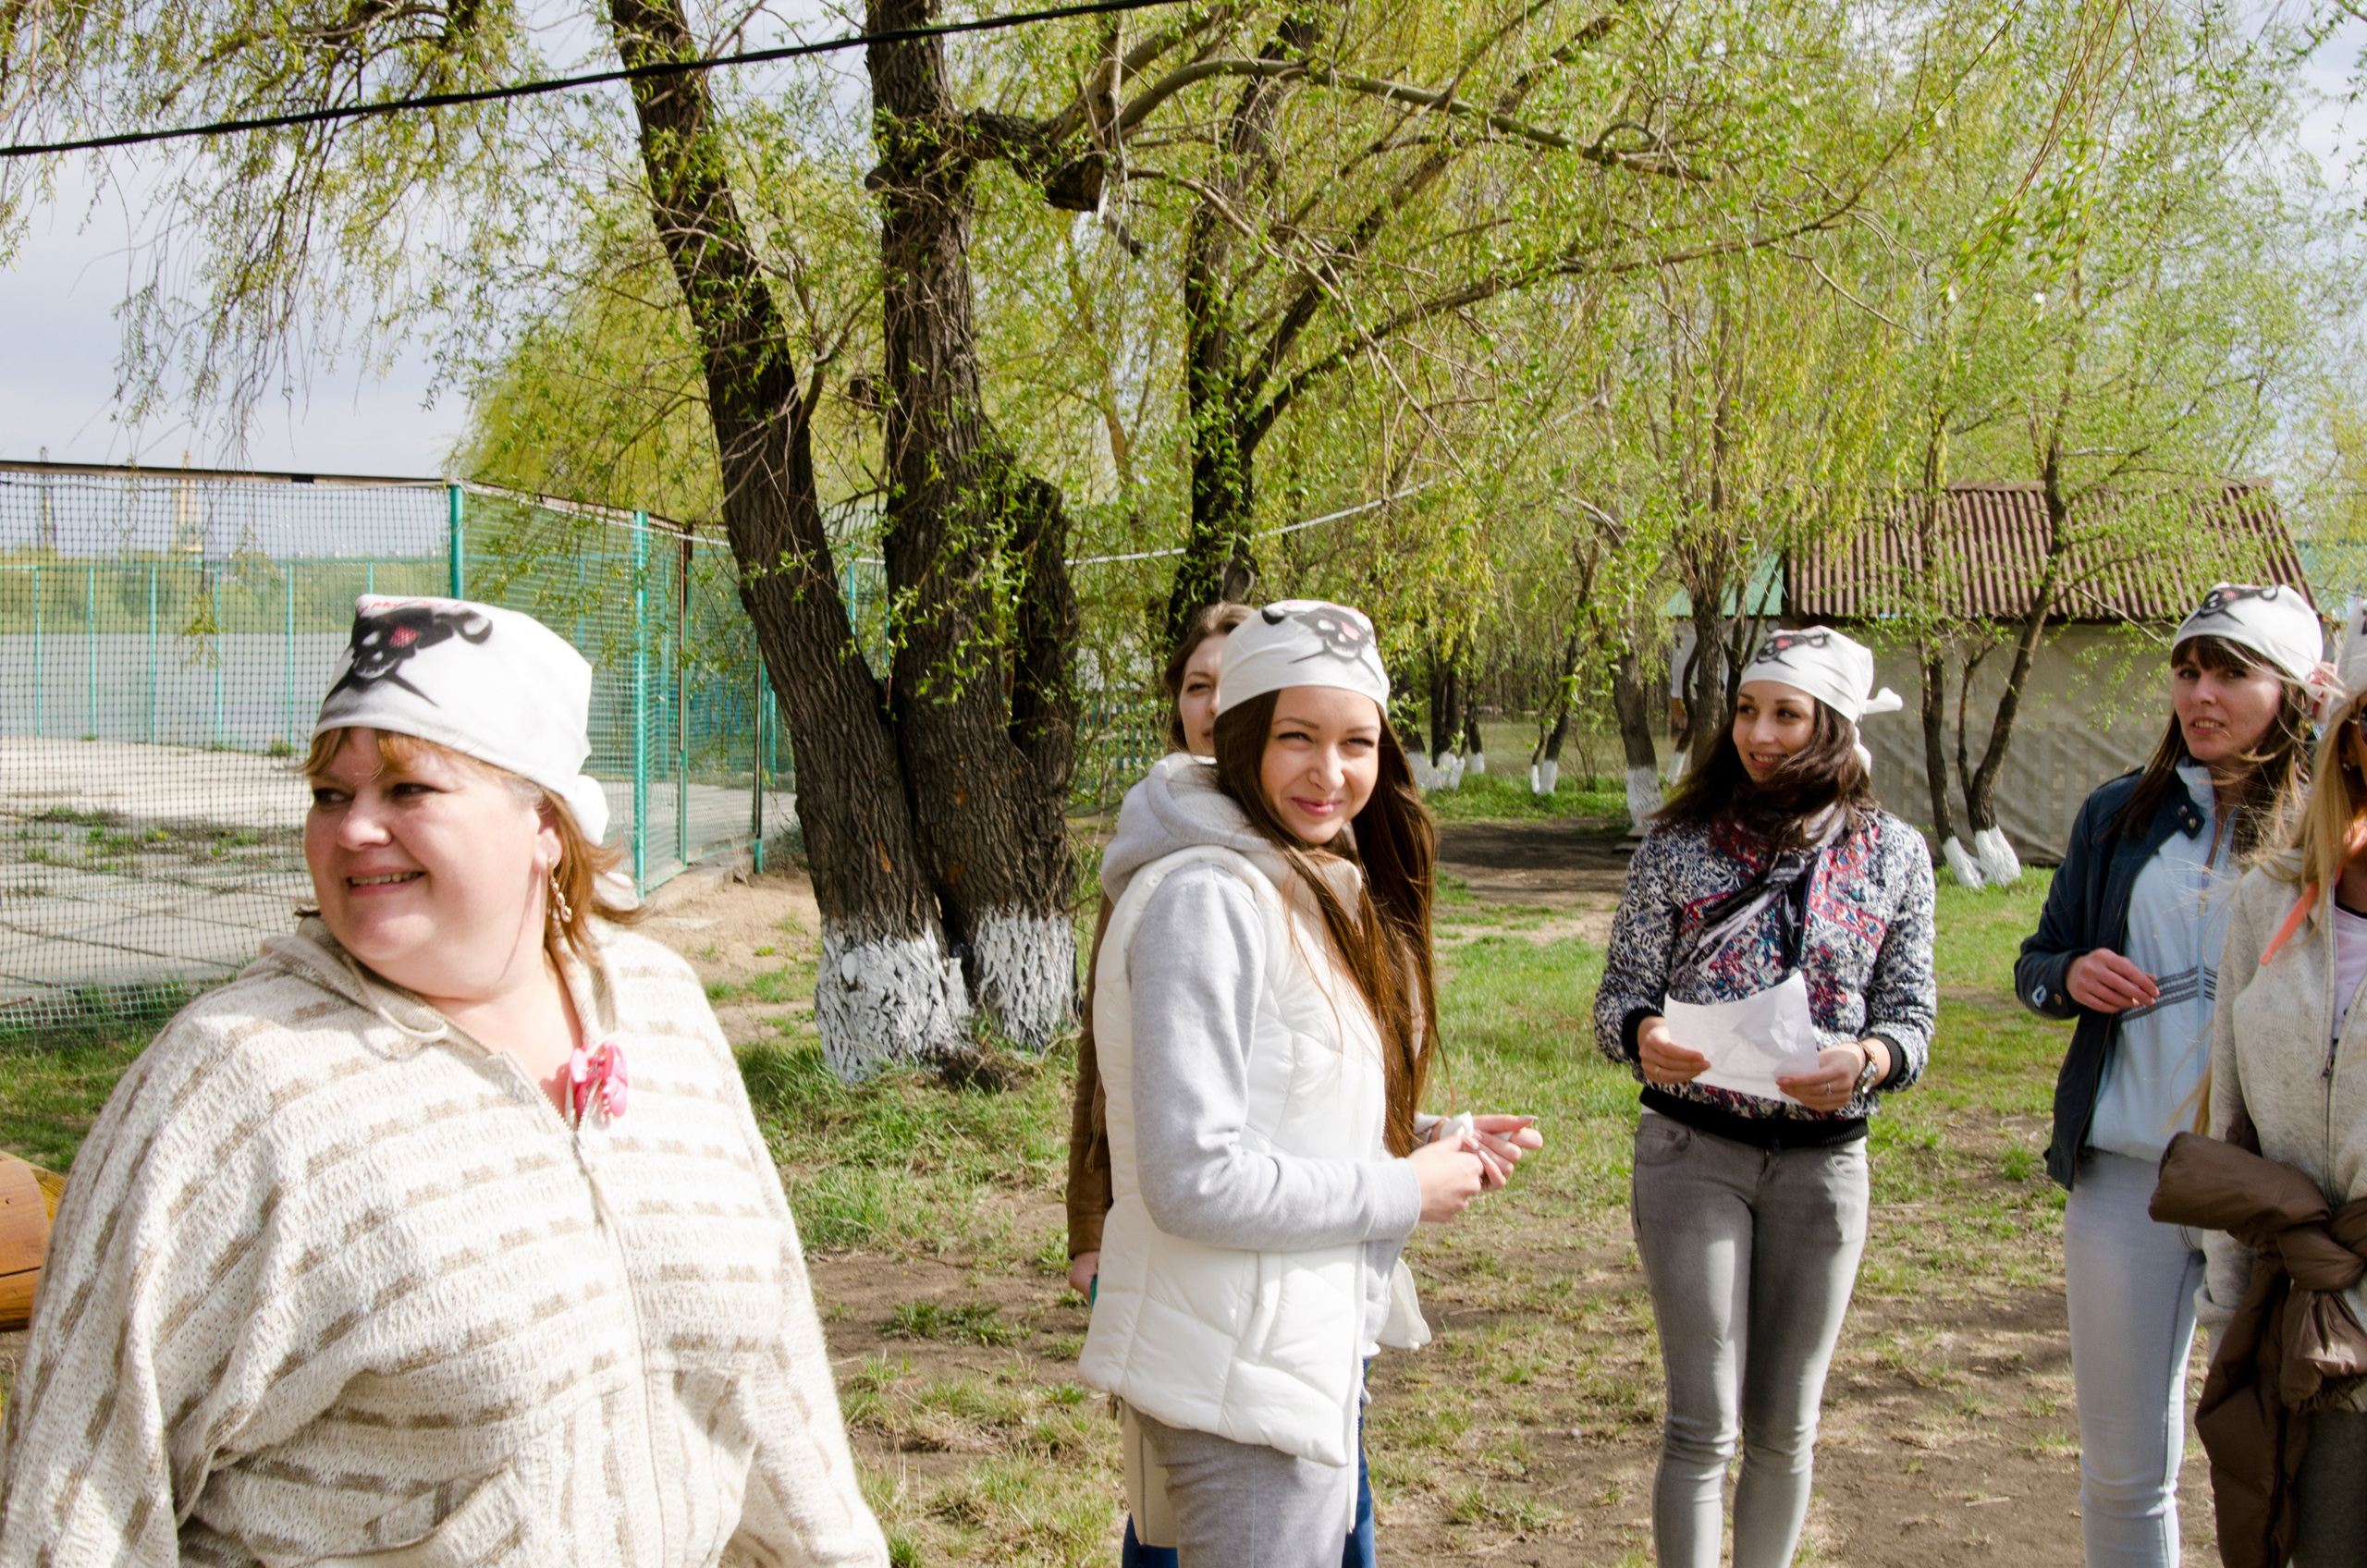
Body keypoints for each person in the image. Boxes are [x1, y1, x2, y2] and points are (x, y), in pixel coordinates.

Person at [0, 595, 887, 1567]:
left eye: (407, 790)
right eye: (331, 797)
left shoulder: (658, 1007)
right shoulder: (236, 1088)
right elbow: (78, 1488)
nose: (353, 831)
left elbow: (772, 1363)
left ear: (543, 820)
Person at [1078, 600, 1539, 1566]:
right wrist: (1404, 1191)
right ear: (1243, 737)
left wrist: (1424, 1140)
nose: (1329, 773)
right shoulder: (1209, 896)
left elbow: (1282, 1103)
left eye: (1356, 743)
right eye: (1297, 738)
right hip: (1236, 1371)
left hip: (1289, 1341)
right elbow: (1194, 1174)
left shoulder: (1303, 879)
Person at [1593, 625, 1936, 1568]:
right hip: (1690, 1154)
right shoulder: (1675, 843)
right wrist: (1643, 1038)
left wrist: (1867, 1059)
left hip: (1824, 1168)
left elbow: (1912, 1016)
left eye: (1786, 713)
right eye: (1747, 710)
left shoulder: (1895, 855)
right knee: (1700, 1420)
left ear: (1833, 725)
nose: (1759, 732)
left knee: (1785, 1425)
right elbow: (1621, 994)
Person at [2016, 582, 2322, 1568]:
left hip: (2270, 1190)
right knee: (2119, 1468)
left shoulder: (2326, 823)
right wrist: (2068, 973)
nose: (2200, 692)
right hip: (2125, 1183)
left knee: (2285, 1454)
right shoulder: (2117, 813)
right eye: (2188, 669)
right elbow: (2035, 960)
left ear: (2292, 689)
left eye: (2232, 671)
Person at [2172, 599, 2367, 1568]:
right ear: (2350, 740)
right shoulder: (2270, 901)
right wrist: (2229, 1307)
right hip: (2305, 1340)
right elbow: (2233, 1131)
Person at [1066, 601, 1252, 1298]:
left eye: (1234, 683)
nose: (1213, 704)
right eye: (1197, 686)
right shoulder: (1145, 846)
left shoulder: (1323, 841)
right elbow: (1103, 1046)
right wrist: (1089, 1225)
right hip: (1165, 1203)